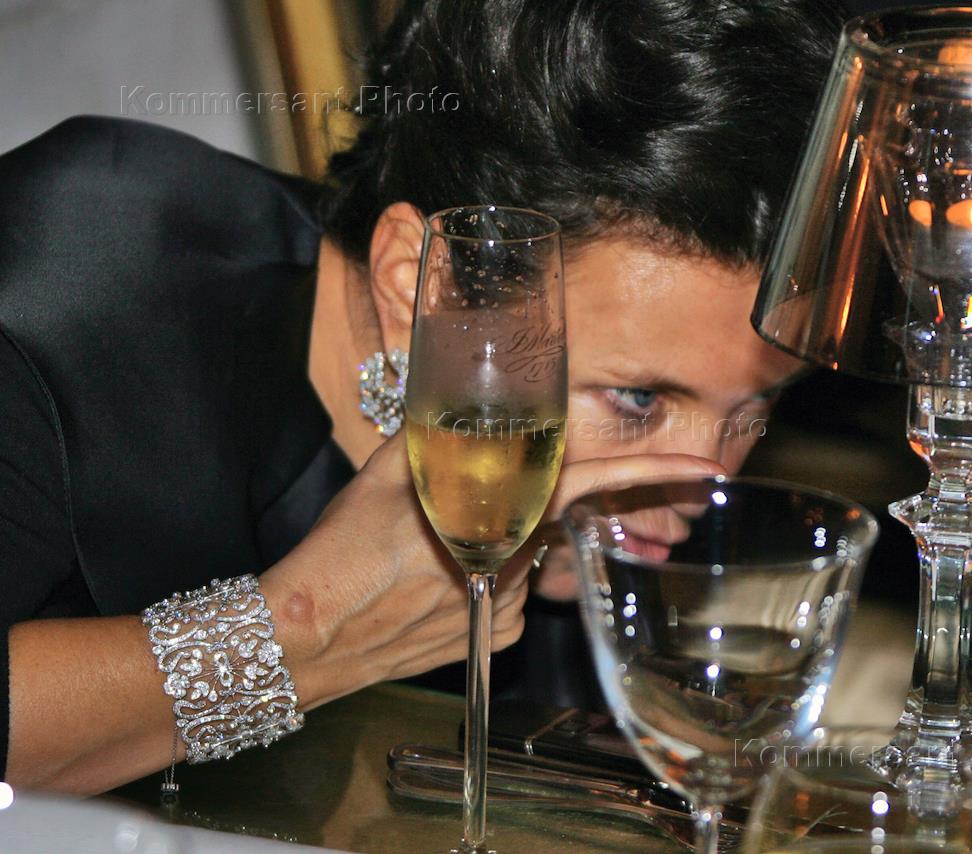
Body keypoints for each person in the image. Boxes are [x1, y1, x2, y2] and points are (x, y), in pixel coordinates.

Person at [0, 0, 844, 793]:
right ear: (422, 288)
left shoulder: (578, 552)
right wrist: (303, 636)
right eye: (636, 398)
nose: (704, 482)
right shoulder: (67, 298)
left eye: (755, 410)